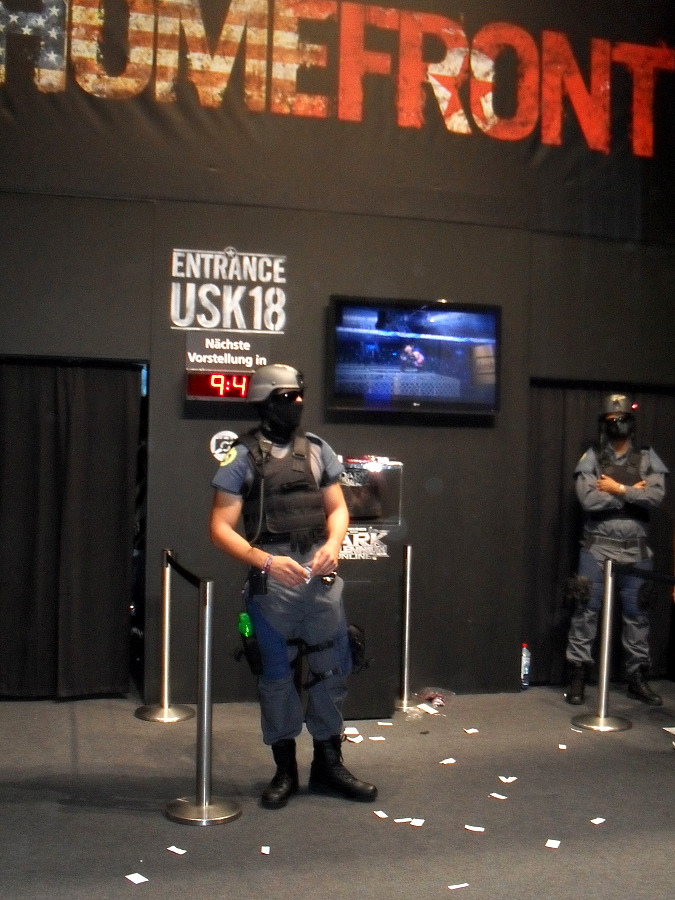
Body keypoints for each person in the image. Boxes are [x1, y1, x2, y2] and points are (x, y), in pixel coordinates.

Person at [209, 363, 377, 808]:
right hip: (273, 581)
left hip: (319, 578)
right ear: (265, 403)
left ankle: (328, 763)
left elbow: (337, 509)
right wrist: (264, 560)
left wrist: (334, 544)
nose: (297, 404)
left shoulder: (317, 450)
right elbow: (220, 527)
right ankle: (285, 768)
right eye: (286, 398)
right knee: (276, 677)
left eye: (299, 396)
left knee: (332, 670)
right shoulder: (241, 456)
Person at [564, 393, 668, 707]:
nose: (616, 424)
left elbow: (656, 497)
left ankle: (637, 676)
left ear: (631, 422)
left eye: (621, 419)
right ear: (604, 423)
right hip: (597, 548)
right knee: (585, 611)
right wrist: (633, 492)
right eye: (611, 420)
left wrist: (616, 488)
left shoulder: (647, 457)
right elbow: (588, 499)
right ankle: (578, 674)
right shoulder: (592, 458)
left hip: (636, 552)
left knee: (638, 615)